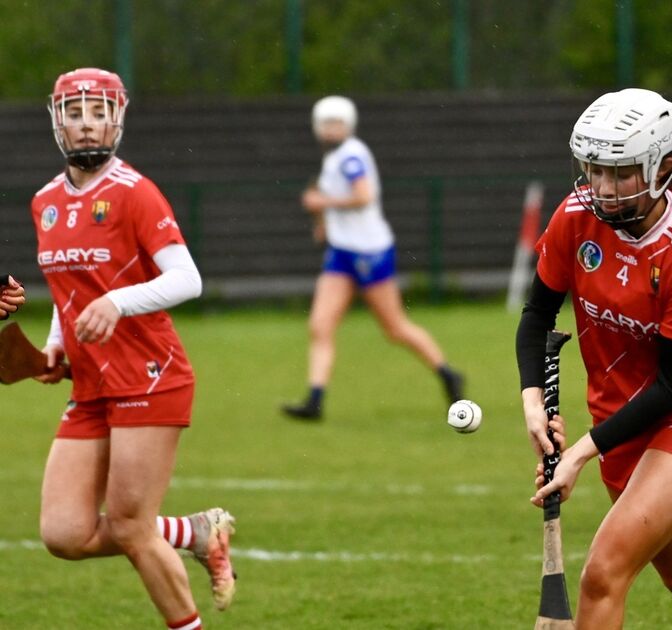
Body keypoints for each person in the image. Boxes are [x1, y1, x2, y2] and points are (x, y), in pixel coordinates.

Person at [518, 88, 672, 629]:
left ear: (663, 167)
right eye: (595, 170)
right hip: (622, 418)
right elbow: (537, 316)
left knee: (603, 573)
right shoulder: (577, 215)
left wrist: (579, 452)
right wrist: (533, 403)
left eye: (621, 172)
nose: (603, 188)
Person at [32, 67, 236, 630]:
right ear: (58, 123)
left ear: (117, 119)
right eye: (75, 114)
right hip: (92, 384)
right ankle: (192, 532)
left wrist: (119, 302)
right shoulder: (45, 202)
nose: (88, 126)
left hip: (150, 376)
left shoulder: (135, 193)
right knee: (64, 534)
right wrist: (56, 342)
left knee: (128, 526)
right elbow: (67, 287)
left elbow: (187, 279)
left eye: (99, 114)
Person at [282, 95, 464, 420]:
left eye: (336, 123)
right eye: (326, 123)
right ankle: (315, 400)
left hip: (370, 252)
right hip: (341, 253)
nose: (330, 130)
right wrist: (325, 224)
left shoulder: (351, 154)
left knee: (394, 328)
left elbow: (363, 196)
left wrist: (321, 204)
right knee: (320, 325)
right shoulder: (333, 158)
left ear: (348, 125)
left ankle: (447, 373)